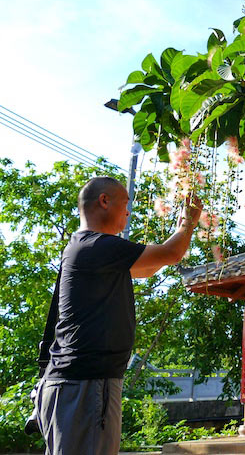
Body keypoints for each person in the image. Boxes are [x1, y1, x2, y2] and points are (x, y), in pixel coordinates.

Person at [35, 176, 203, 455]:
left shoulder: (85, 248)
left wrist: (179, 230)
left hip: (80, 383)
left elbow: (149, 267)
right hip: (85, 384)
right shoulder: (98, 245)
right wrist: (188, 222)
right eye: (125, 204)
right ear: (104, 201)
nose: (128, 212)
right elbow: (172, 253)